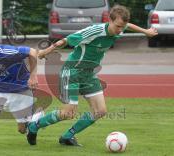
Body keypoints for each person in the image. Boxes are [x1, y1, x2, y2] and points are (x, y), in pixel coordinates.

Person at [26, 5, 158, 146]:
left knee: (100, 111)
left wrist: (146, 31)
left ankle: (67, 137)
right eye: (118, 26)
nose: (120, 30)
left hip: (89, 74)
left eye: (122, 27)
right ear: (110, 20)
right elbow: (65, 40)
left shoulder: (120, 27)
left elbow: (129, 25)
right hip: (72, 71)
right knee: (69, 113)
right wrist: (46, 51)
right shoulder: (95, 31)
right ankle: (34, 126)